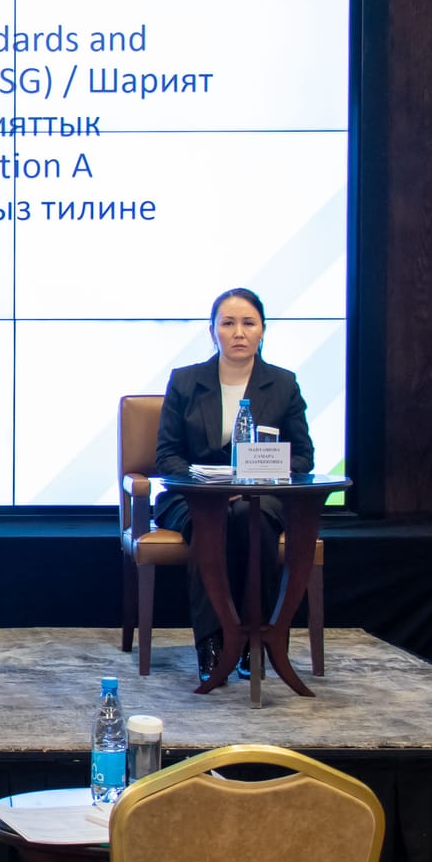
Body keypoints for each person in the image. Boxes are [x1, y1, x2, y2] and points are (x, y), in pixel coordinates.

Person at [152, 286, 315, 678]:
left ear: (263, 331)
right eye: (227, 323)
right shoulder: (186, 381)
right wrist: (209, 486)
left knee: (249, 516)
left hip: (260, 494)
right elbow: (167, 455)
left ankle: (253, 641)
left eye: (248, 323)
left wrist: (258, 476)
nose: (238, 332)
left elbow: (303, 457)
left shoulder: (284, 384)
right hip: (194, 496)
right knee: (211, 522)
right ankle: (212, 642)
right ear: (213, 332)